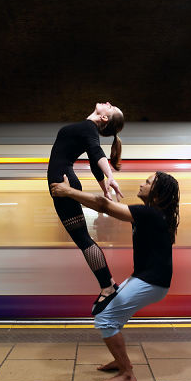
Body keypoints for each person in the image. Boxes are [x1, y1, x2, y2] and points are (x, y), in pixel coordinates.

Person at [50, 170, 180, 381]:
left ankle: (127, 374)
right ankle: (121, 362)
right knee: (111, 316)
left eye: (147, 182)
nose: (142, 183)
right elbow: (107, 205)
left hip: (152, 282)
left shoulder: (151, 214)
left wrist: (68, 191)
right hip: (147, 278)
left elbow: (103, 206)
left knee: (105, 318)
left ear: (157, 194)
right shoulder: (156, 214)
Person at [48, 102, 126, 315]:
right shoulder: (87, 129)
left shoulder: (89, 128)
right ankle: (108, 282)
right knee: (83, 240)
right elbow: (93, 161)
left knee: (84, 240)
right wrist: (104, 186)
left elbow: (96, 151)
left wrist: (110, 177)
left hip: (62, 183)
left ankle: (107, 287)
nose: (107, 103)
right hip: (65, 181)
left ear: (104, 118)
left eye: (111, 107)